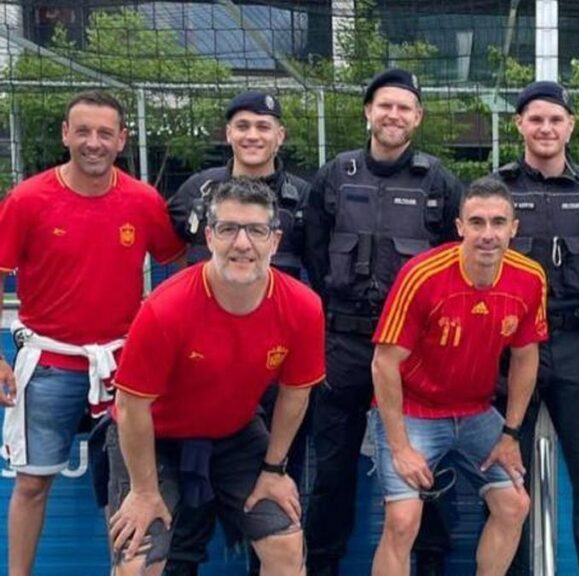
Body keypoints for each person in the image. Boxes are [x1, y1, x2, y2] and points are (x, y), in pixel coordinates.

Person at [0, 90, 185, 576]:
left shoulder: (143, 201)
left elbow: (181, 265)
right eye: (82, 131)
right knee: (31, 484)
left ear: (122, 139)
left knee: (127, 490)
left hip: (123, 370)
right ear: (65, 134)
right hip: (49, 364)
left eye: (105, 133)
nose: (93, 142)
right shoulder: (27, 199)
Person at [105, 178, 325, 576]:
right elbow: (130, 406)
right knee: (137, 558)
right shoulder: (166, 308)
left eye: (256, 230)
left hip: (235, 434)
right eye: (227, 229)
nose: (242, 243)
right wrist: (144, 491)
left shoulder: (304, 306)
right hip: (154, 439)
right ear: (208, 237)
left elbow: (296, 394)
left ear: (275, 241)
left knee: (286, 545)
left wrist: (274, 470)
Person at [303, 68, 464, 575]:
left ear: (418, 117)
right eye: (385, 106)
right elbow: (314, 251)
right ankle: (323, 562)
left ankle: (432, 562)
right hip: (344, 343)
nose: (393, 115)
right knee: (333, 468)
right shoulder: (335, 174)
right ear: (368, 112)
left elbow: (454, 261)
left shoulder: (439, 182)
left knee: (424, 463)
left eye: (404, 108)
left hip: (414, 351)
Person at [164, 90, 312, 576]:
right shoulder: (195, 190)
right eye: (243, 125)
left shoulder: (306, 198)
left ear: (280, 136)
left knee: (271, 503)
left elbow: (317, 274)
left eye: (263, 126)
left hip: (273, 371)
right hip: (201, 373)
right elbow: (169, 255)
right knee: (188, 512)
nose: (252, 135)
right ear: (228, 133)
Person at [369, 176, 544, 575]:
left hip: (475, 412)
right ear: (460, 226)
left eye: (498, 222)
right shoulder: (422, 275)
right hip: (413, 411)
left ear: (514, 228)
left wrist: (510, 434)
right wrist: (400, 448)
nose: (488, 234)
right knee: (402, 521)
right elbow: (383, 363)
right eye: (477, 222)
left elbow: (525, 356)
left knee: (515, 505)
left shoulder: (531, 277)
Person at [489, 81, 579, 575]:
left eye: (555, 120)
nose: (545, 128)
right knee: (506, 480)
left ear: (570, 126)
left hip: (576, 343)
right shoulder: (495, 190)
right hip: (509, 348)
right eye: (535, 119)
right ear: (519, 125)